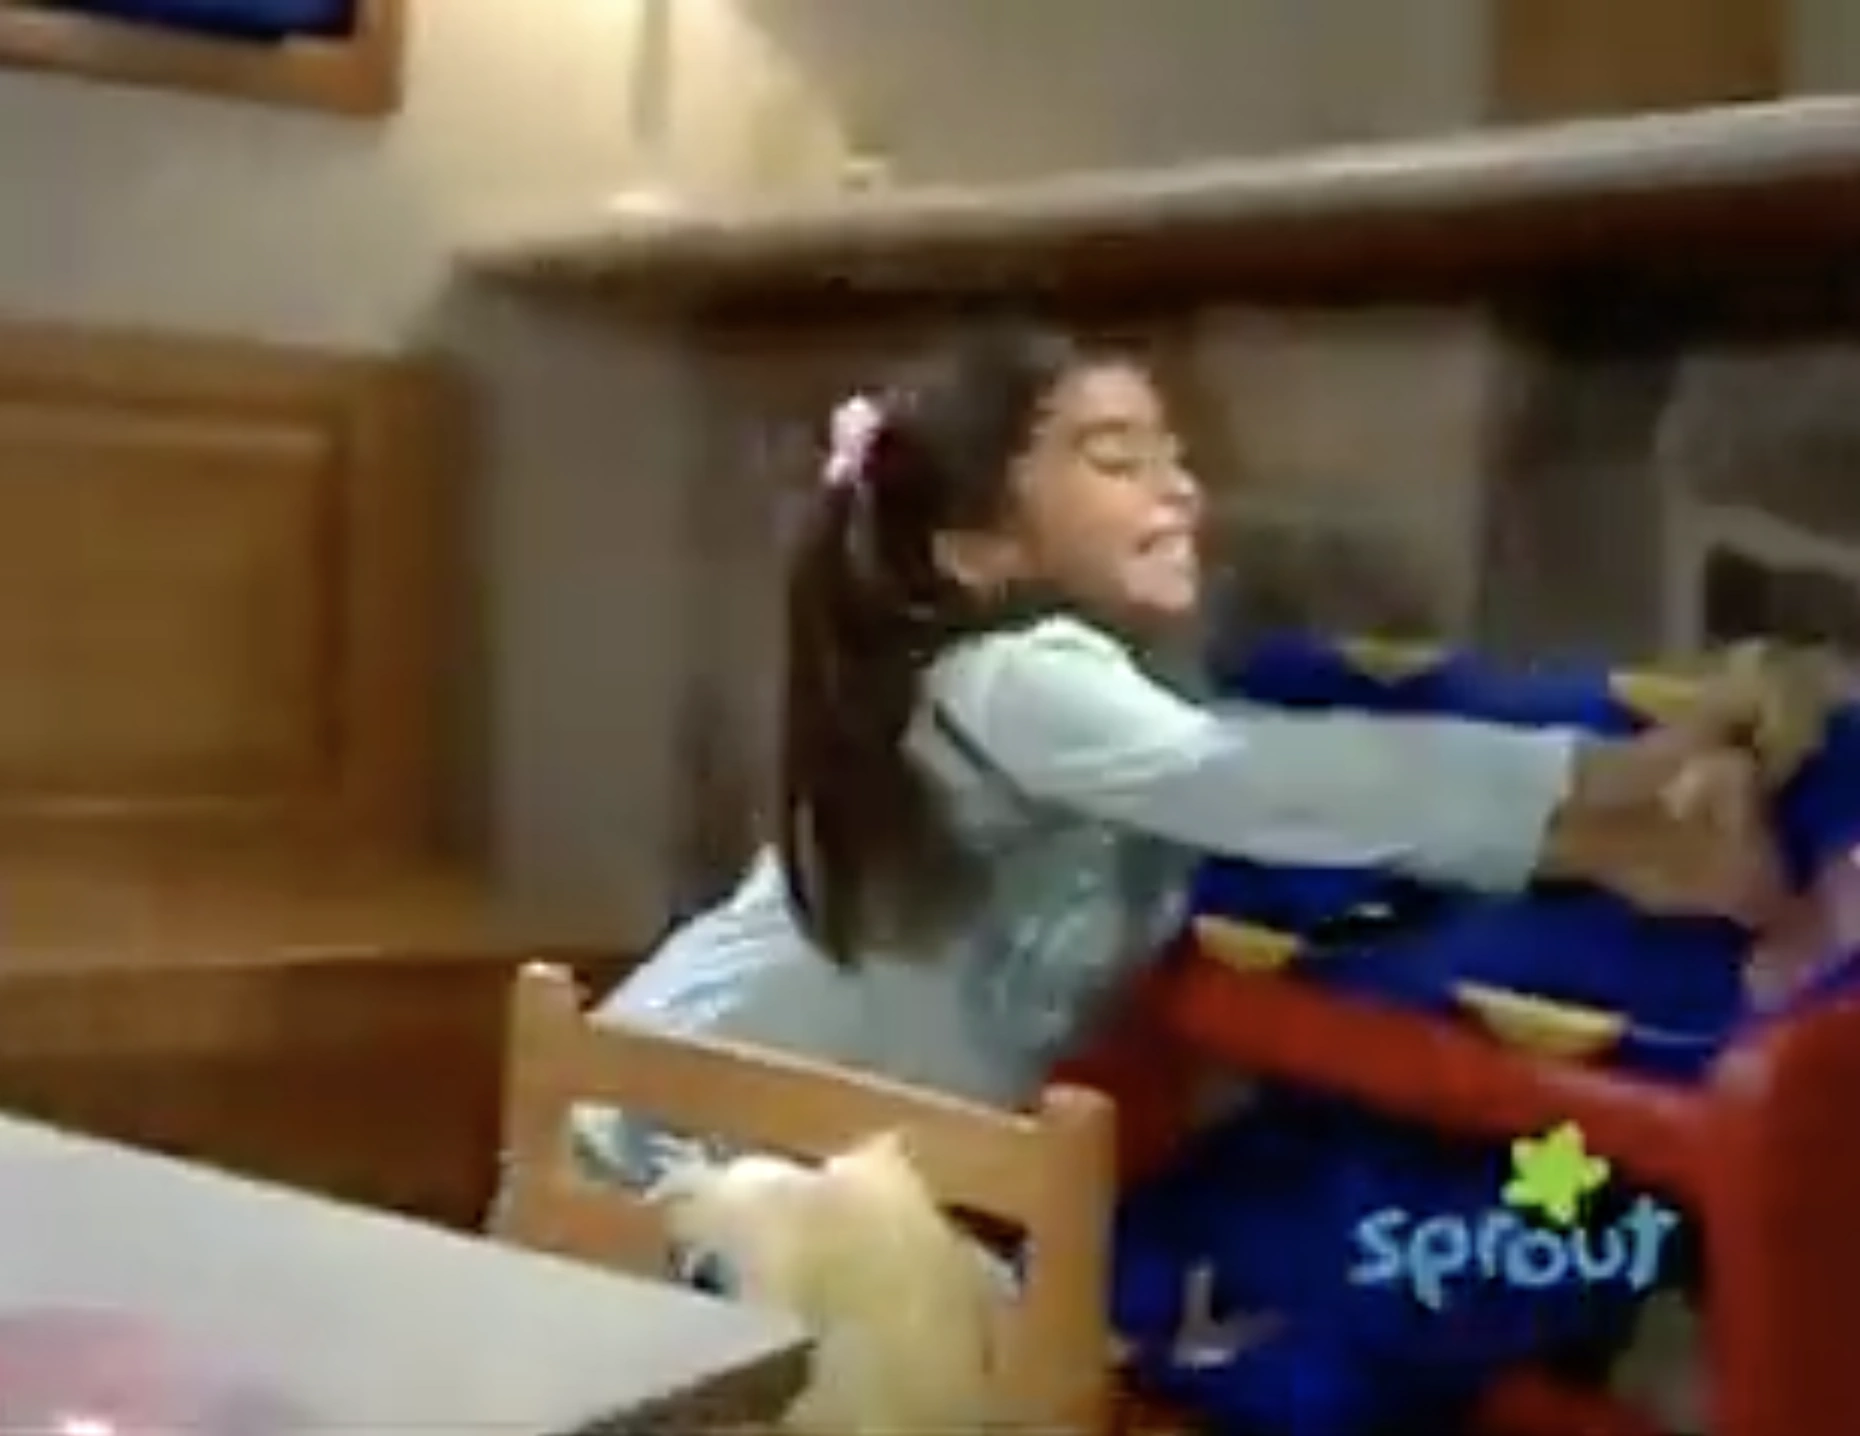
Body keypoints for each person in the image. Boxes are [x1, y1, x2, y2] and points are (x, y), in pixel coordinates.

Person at [578, 325, 1777, 1180]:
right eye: (1116, 460)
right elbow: (1251, 780)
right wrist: (1605, 775)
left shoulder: (1127, 694)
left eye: (1175, 457)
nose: (1181, 491)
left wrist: (1604, 829)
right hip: (677, 1126)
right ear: (979, 549)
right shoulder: (1007, 677)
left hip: (802, 1159)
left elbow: (1288, 784)